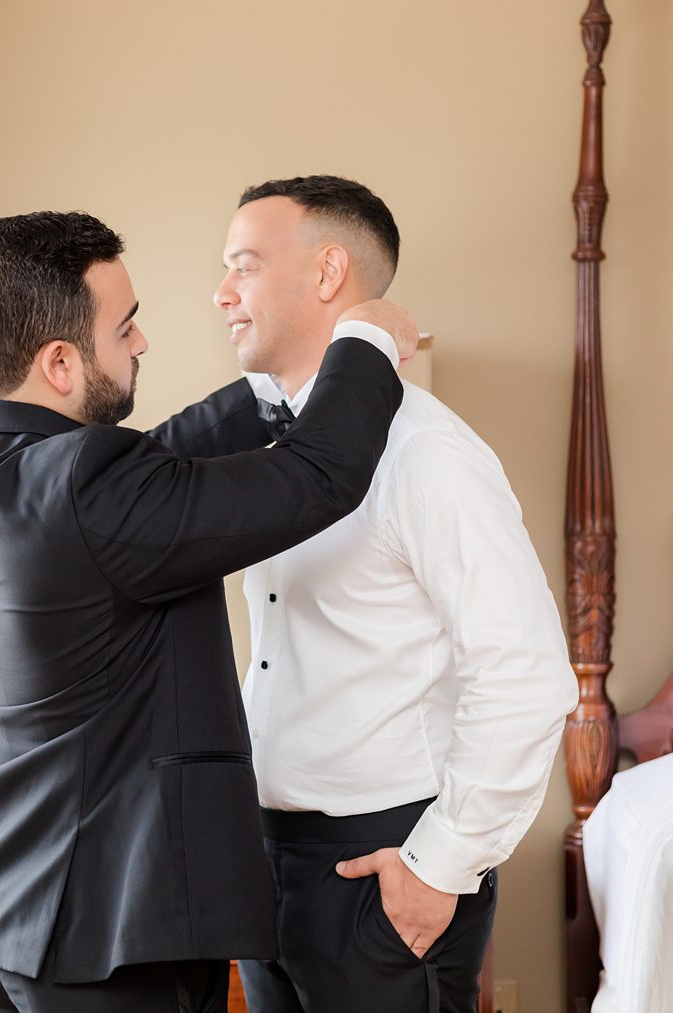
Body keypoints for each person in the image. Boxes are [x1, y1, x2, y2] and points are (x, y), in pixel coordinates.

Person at [0, 209, 418, 1013]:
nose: (142, 343)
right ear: (59, 362)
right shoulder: (92, 489)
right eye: (124, 330)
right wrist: (366, 340)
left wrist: (268, 392)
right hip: (108, 939)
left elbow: (145, 468)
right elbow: (318, 477)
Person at [216, 176, 578, 1013]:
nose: (222, 291)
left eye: (244, 265)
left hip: (383, 866)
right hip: (270, 857)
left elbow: (525, 673)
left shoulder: (425, 454)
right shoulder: (270, 455)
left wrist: (437, 866)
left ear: (327, 270)